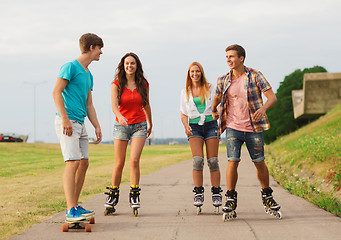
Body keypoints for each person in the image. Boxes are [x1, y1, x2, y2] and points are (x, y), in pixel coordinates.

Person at [212, 44, 281, 217]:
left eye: (231, 56)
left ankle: (267, 195)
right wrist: (214, 109)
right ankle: (231, 198)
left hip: (253, 127)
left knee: (259, 162)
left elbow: (272, 97)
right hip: (233, 127)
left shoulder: (255, 76)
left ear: (241, 58)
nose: (228, 59)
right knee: (232, 161)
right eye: (226, 56)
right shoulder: (223, 79)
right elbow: (218, 98)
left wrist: (263, 109)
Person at [52, 33, 103, 221]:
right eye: (99, 48)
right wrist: (65, 119)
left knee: (84, 163)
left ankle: (75, 205)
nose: (101, 52)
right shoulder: (70, 67)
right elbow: (56, 92)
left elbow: (89, 104)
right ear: (91, 48)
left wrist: (96, 126)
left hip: (80, 123)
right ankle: (70, 209)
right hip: (68, 122)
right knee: (72, 162)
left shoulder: (89, 74)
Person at [105, 52, 152, 214]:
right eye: (127, 64)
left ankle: (134, 194)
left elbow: (146, 104)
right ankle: (113, 194)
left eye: (132, 63)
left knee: (134, 160)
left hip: (139, 125)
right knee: (119, 162)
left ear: (137, 65)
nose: (129, 66)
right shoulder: (116, 84)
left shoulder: (143, 84)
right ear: (123, 66)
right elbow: (114, 106)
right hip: (122, 126)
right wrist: (120, 117)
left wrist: (150, 122)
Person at [180, 62, 222, 212]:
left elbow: (219, 104)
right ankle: (198, 192)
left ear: (201, 72)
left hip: (211, 125)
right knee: (198, 161)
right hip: (194, 127)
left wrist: (217, 113)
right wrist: (186, 126)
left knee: (213, 161)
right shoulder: (185, 91)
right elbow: (183, 114)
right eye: (192, 72)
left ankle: (216, 192)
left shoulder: (210, 88)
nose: (195, 74)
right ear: (189, 74)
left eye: (197, 71)